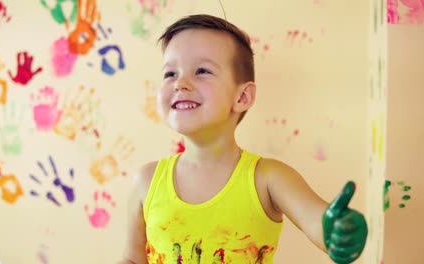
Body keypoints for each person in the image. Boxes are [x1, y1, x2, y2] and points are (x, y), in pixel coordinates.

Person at [119, 14, 368, 264]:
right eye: (170, 73)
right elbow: (132, 259)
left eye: (202, 71)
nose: (180, 83)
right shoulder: (147, 181)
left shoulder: (269, 178)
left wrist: (336, 230)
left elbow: (318, 223)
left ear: (243, 97)